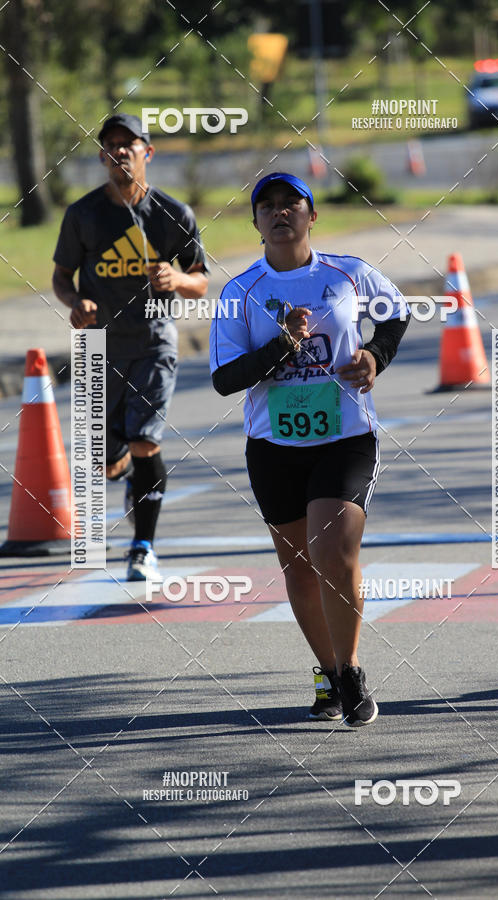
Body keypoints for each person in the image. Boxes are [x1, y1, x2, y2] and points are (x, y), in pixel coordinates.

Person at [209, 172, 410, 726]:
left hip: (344, 435)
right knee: (298, 569)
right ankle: (329, 672)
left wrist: (375, 356)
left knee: (334, 553)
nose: (279, 213)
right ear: (255, 223)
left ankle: (349, 673)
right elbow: (226, 379)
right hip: (274, 446)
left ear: (311, 215)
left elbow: (397, 312)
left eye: (291, 204)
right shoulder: (239, 292)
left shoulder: (348, 273)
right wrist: (282, 345)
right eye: (267, 206)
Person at [53, 113, 209, 580]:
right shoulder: (82, 215)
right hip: (98, 348)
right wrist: (75, 301)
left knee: (145, 441)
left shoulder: (173, 214)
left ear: (148, 152)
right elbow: (61, 277)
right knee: (106, 460)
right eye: (111, 144)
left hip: (154, 341)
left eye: (130, 143)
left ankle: (142, 548)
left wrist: (177, 278)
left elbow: (201, 282)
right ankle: (121, 468)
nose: (120, 150)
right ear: (102, 156)